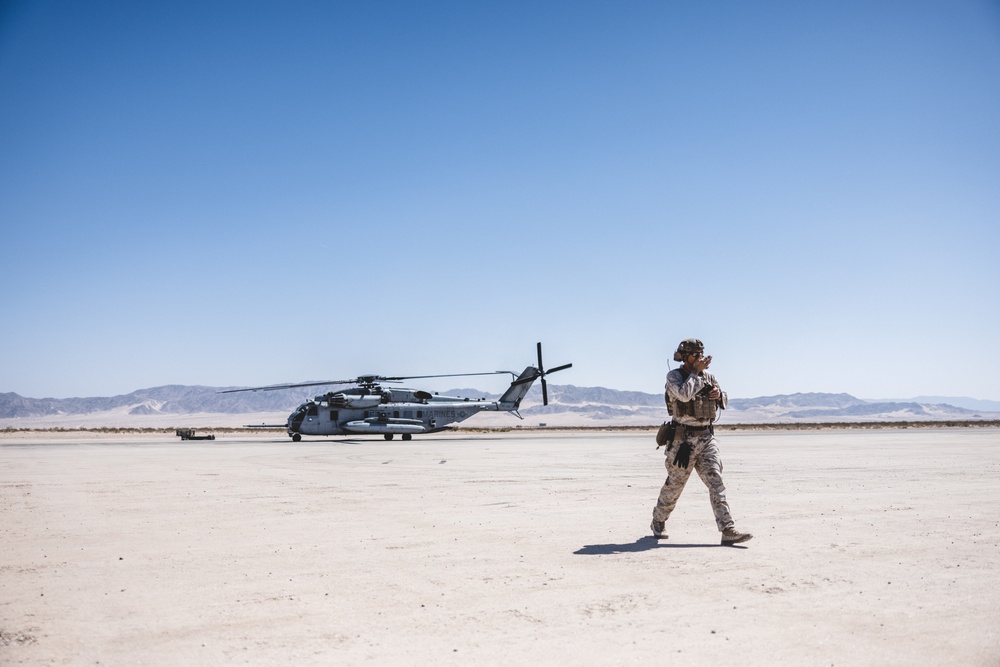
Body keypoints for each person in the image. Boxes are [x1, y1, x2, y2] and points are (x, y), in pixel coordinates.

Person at [650, 338, 752, 546]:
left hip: (706, 437)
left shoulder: (709, 376)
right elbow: (684, 396)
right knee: (675, 485)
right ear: (684, 356)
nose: (700, 358)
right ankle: (658, 520)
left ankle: (727, 528)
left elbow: (723, 399)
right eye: (695, 355)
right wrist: (696, 373)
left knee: (716, 481)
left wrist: (717, 396)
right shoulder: (675, 376)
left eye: (701, 354)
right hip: (682, 441)